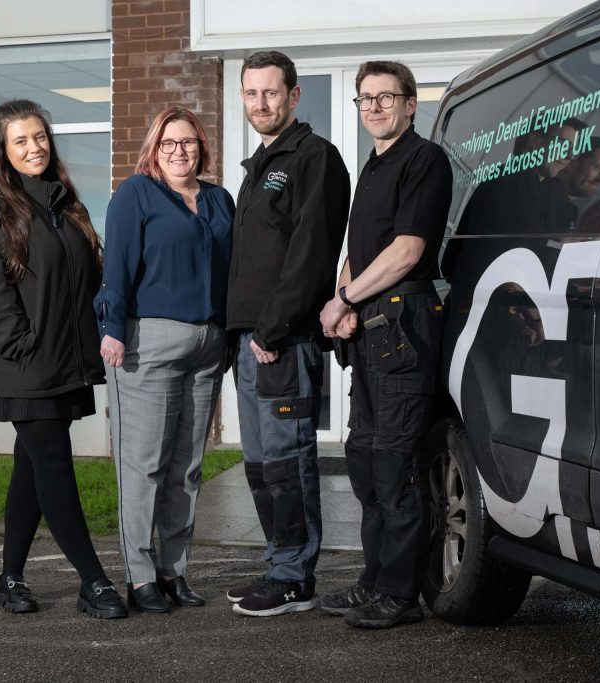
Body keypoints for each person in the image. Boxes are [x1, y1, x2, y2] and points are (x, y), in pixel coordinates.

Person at [0, 99, 127, 619]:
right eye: (20, 141)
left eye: (39, 137)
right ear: (2, 151)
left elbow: (85, 282)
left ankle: (9, 577)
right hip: (27, 367)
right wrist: (24, 348)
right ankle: (93, 581)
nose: (33, 148)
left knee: (30, 469)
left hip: (68, 361)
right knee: (54, 465)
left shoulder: (64, 206)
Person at [318, 61, 453, 629]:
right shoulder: (371, 166)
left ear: (410, 103)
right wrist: (347, 299)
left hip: (404, 325)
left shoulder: (424, 160)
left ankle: (399, 594)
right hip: (370, 329)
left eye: (385, 97)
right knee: (367, 461)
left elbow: (406, 252)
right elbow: (361, 248)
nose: (374, 107)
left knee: (398, 463)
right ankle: (372, 581)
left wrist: (344, 299)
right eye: (365, 99)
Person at [225, 50, 350, 617]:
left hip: (282, 340)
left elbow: (311, 253)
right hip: (250, 341)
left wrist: (273, 328)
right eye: (251, 94)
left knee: (287, 459)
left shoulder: (312, 157)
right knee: (260, 464)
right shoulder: (258, 165)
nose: (260, 103)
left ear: (294, 95)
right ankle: (279, 562)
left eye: (271, 93)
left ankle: (295, 576)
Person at [95, 106, 233, 613]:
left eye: (189, 143)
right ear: (154, 148)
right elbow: (117, 267)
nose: (180, 151)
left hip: (207, 346)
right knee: (144, 464)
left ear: (202, 148)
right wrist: (111, 328)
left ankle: (174, 571)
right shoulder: (136, 194)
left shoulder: (219, 200)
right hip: (148, 344)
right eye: (169, 143)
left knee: (187, 467)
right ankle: (140, 575)